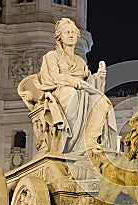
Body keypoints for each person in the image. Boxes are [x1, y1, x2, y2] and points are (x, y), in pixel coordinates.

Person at [32, 18, 117, 154]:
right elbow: (53, 77)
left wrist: (99, 76)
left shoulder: (80, 61)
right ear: (60, 37)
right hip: (60, 91)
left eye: (73, 32)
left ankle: (89, 141)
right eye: (67, 33)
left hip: (81, 92)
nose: (71, 35)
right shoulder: (51, 56)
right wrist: (72, 81)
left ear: (78, 36)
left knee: (102, 102)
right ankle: (71, 140)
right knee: (71, 94)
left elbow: (89, 82)